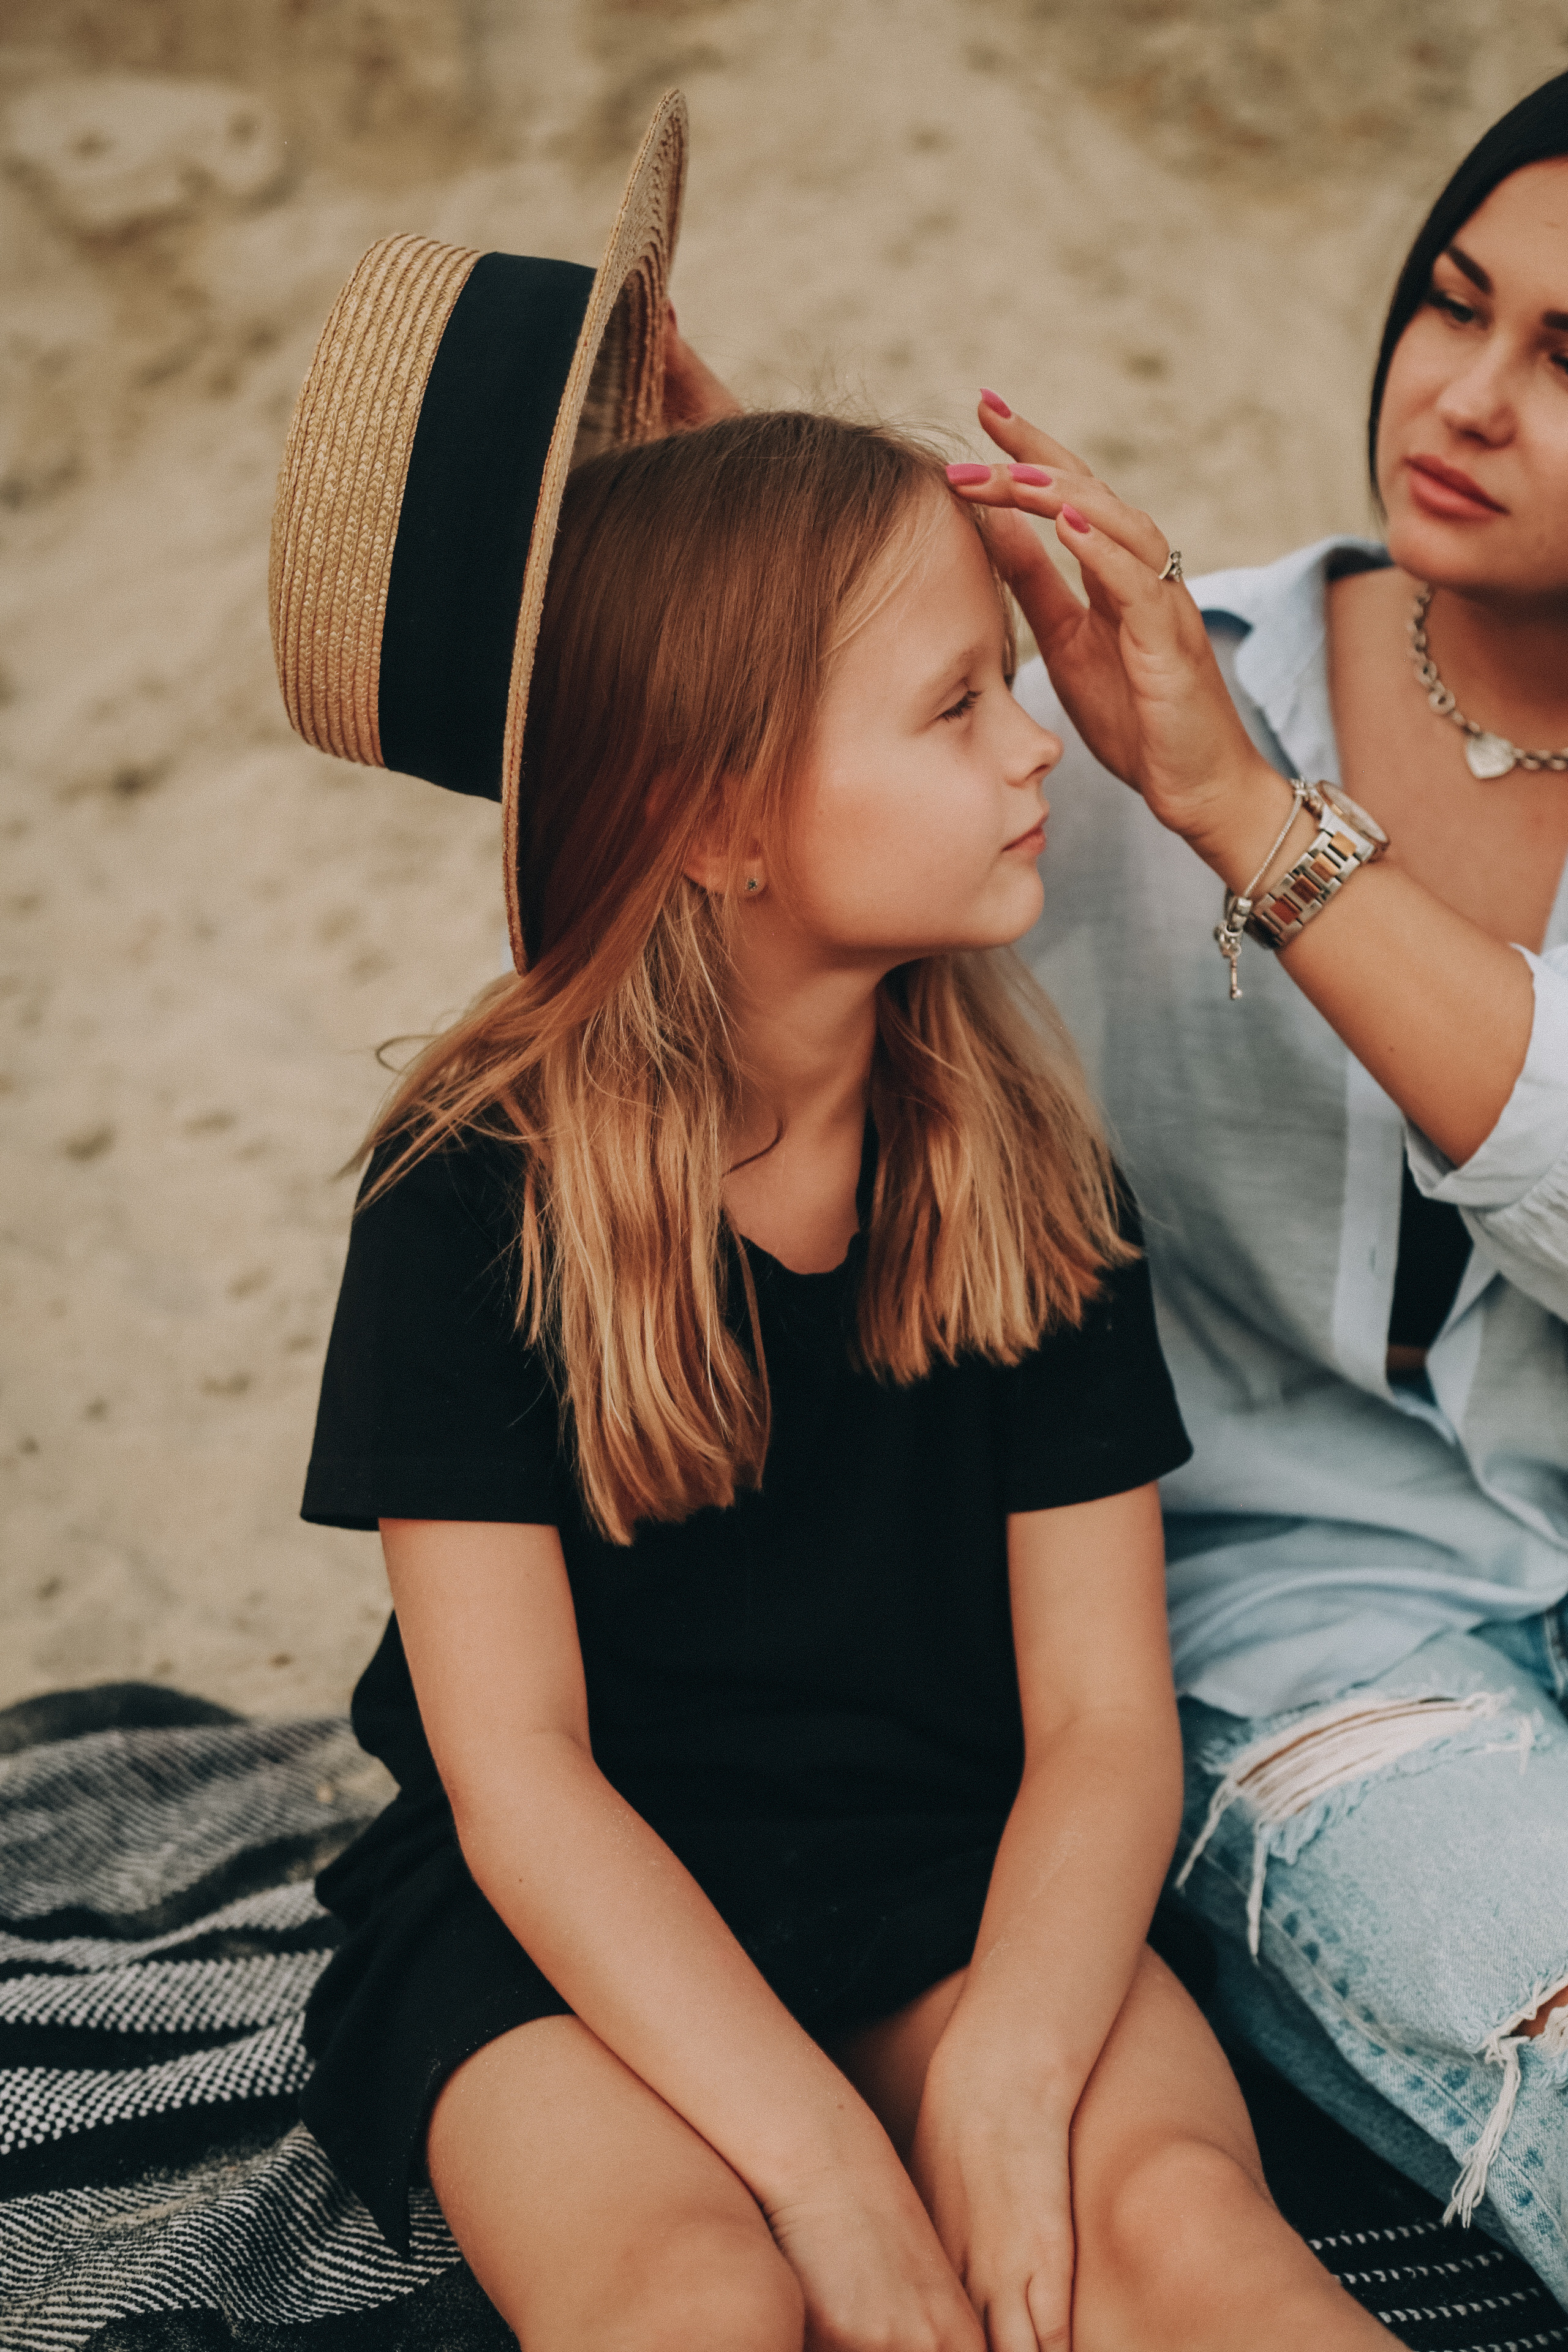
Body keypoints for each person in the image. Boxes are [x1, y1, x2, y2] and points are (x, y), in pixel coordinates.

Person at [269, 124, 1392, 2352]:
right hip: (559, 1932)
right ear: (711, 819)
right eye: (959, 703)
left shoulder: (1013, 1162)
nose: (1033, 751)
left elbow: (1098, 1723)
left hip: (952, 1878)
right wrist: (820, 2173)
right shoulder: (468, 1196)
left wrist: (999, 2068)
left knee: (1178, 2235)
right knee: (703, 2301)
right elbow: (524, 1780)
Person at [947, 67, 1568, 2305]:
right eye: (1451, 303)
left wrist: (1260, 831)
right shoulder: (1135, 687)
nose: (1467, 396)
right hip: (1302, 1630)